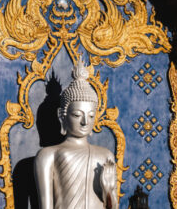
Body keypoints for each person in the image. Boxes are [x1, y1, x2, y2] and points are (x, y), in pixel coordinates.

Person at [34, 64, 118, 209]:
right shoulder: (48, 155)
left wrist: (108, 191)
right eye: (77, 115)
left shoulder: (106, 155)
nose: (85, 121)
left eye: (91, 116)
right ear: (62, 115)